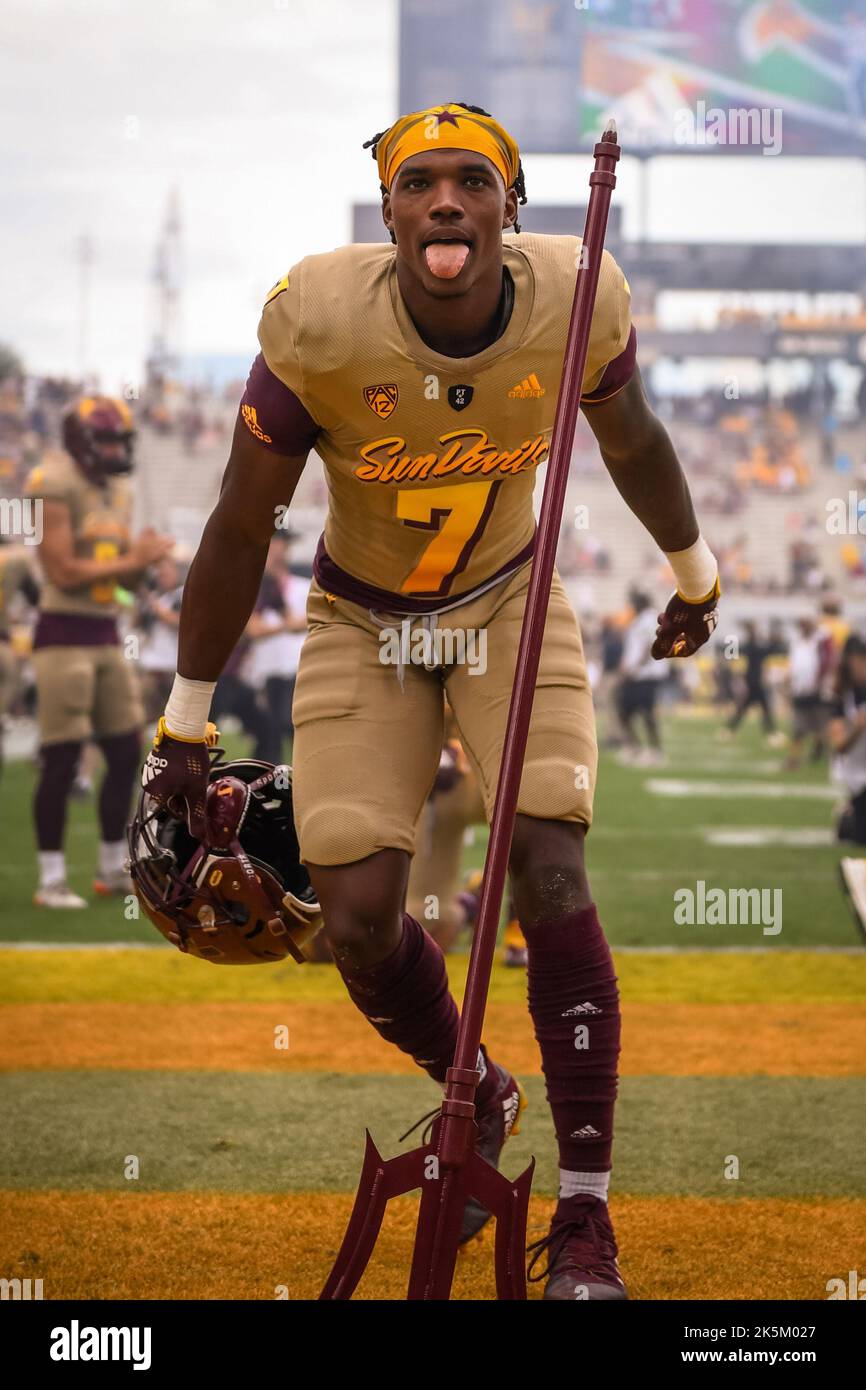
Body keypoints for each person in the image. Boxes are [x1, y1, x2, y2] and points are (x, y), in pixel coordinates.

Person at [140, 101, 719, 1299]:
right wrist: (183, 720)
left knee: (549, 865)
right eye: (418, 184)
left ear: (510, 209)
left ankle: (584, 1216)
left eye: (469, 182)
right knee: (353, 914)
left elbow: (636, 439)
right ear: (389, 208)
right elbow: (241, 523)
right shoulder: (319, 316)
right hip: (363, 615)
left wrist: (694, 576)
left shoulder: (577, 296)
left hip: (506, 598)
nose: (443, 202)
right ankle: (477, 1081)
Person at [24, 396, 173, 907]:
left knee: (125, 751)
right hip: (62, 632)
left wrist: (142, 561)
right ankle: (51, 879)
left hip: (107, 631)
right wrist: (129, 559)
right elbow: (60, 571)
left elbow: (123, 576)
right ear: (81, 442)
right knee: (62, 759)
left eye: (119, 441)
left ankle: (112, 866)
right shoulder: (51, 483)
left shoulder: (120, 489)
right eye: (105, 441)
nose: (114, 451)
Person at [616, 590, 668, 765]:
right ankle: (636, 748)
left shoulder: (650, 619)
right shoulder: (641, 620)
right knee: (625, 710)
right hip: (637, 674)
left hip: (646, 674)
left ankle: (655, 750)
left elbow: (649, 646)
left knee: (646, 712)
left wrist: (634, 667)